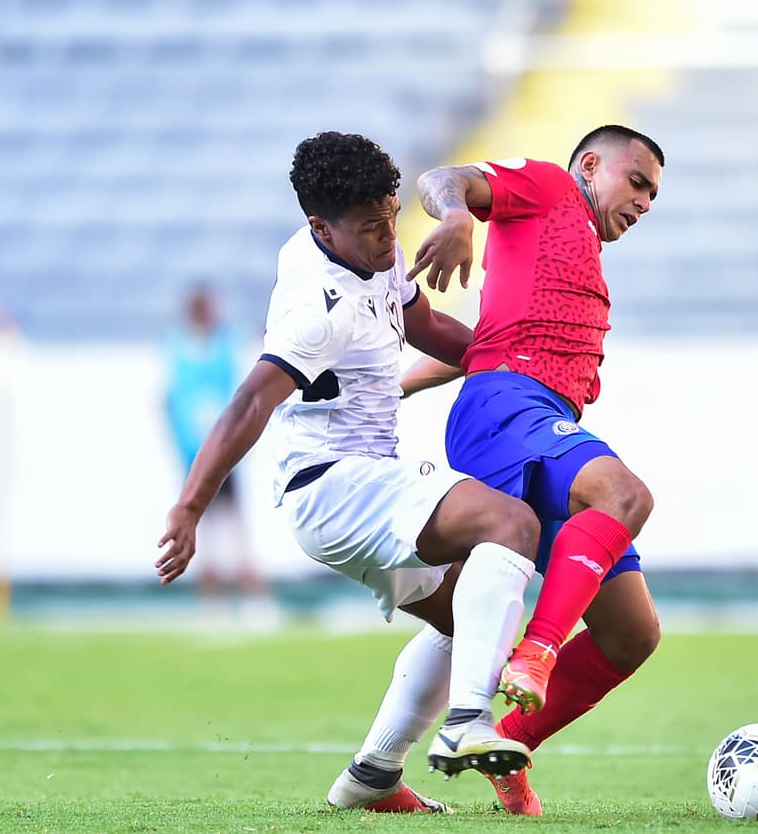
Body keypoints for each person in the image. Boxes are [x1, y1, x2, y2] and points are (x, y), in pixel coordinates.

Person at [153, 131, 542, 814]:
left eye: (392, 213)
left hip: (362, 483)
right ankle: (469, 723)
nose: (390, 235)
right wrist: (189, 509)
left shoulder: (366, 244)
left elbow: (421, 322)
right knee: (510, 524)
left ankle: (373, 775)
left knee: (472, 616)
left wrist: (514, 351)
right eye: (372, 226)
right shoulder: (315, 311)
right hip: (333, 487)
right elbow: (249, 401)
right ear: (319, 227)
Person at [392, 124, 666, 814]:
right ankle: (534, 653)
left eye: (654, 196)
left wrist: (400, 385)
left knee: (631, 634)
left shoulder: (578, 264)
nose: (643, 202)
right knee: (624, 493)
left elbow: (487, 341)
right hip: (510, 409)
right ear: (592, 164)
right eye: (636, 182)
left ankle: (505, 746)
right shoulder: (546, 187)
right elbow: (442, 178)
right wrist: (456, 215)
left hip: (528, 419)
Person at [162, 285, 276, 623]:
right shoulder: (178, 347)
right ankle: (213, 602)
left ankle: (252, 598)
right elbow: (174, 401)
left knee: (234, 525)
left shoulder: (223, 344)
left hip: (219, 448)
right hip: (192, 450)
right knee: (203, 529)